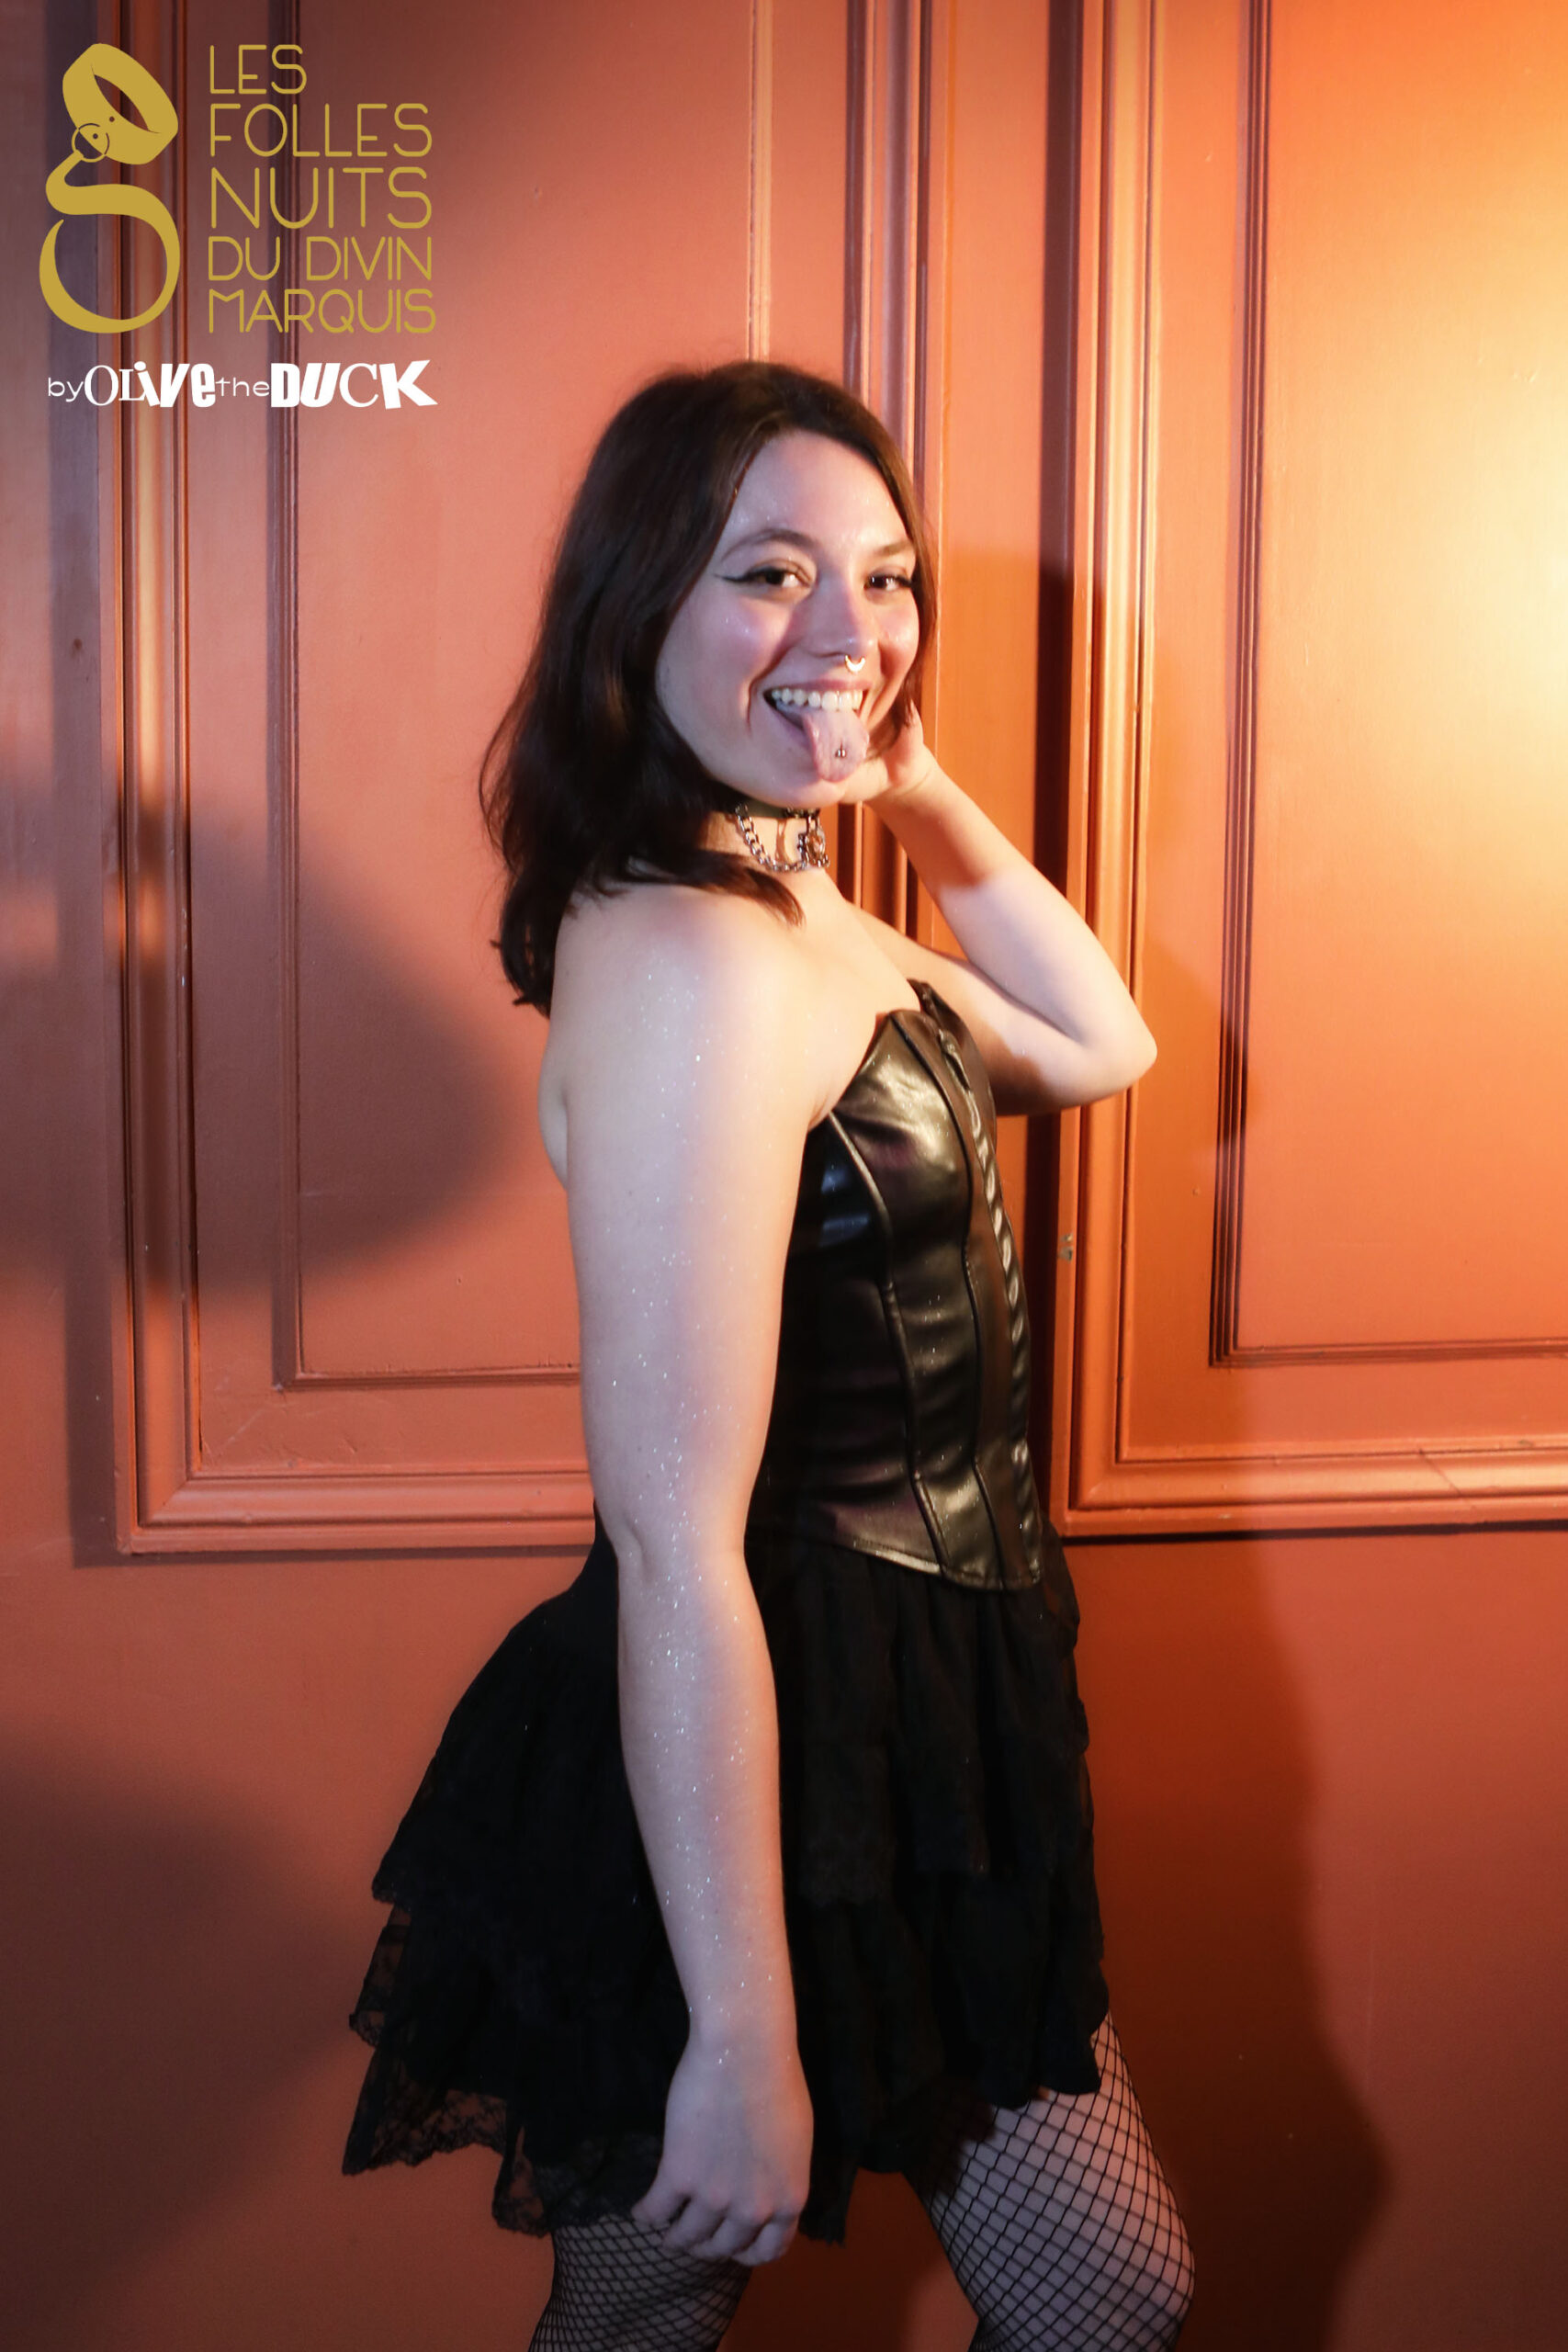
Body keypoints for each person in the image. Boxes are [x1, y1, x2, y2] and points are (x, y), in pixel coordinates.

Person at [344, 360, 1194, 2352]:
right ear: (633, 607)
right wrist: (736, 2034)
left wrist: (908, 776)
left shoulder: (784, 900)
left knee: (1098, 2295)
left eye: (885, 577)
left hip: (916, 1718)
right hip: (759, 1753)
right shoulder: (698, 959)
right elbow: (670, 1536)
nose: (851, 627)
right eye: (770, 573)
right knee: (655, 2309)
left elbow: (1100, 1043)